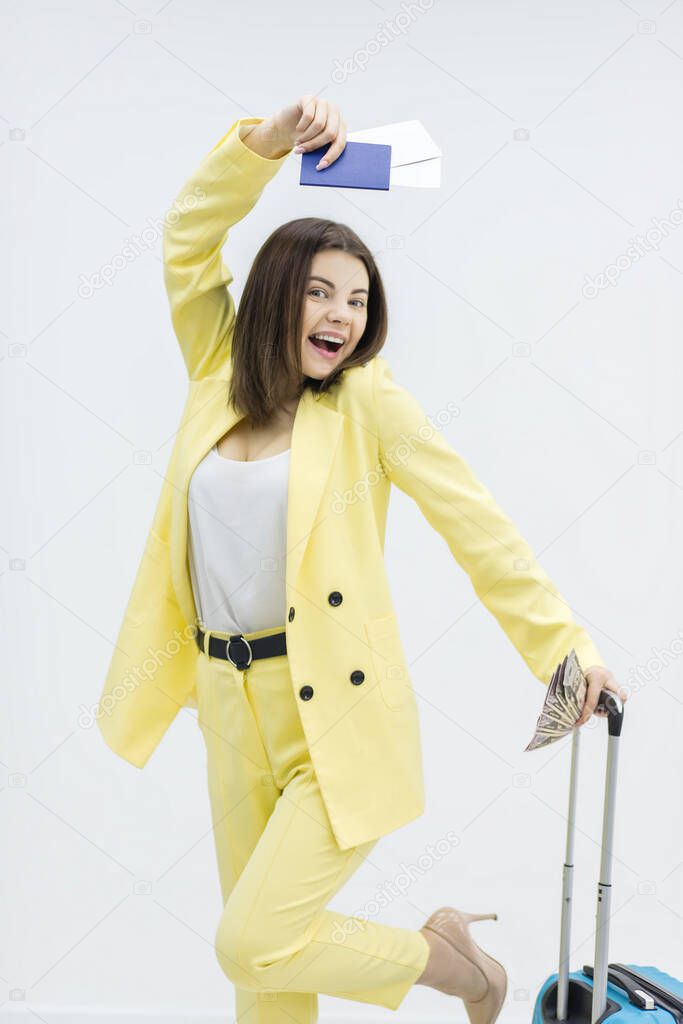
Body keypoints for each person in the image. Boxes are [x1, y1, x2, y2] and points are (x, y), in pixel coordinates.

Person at [100, 93, 628, 1024]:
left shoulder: (369, 405)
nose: (342, 316)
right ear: (276, 296)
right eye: (320, 293)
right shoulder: (215, 366)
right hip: (226, 700)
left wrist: (566, 647)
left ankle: (455, 967)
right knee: (264, 973)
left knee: (250, 935)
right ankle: (448, 956)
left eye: (357, 300)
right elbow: (186, 235)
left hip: (335, 713)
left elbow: (479, 527)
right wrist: (260, 146)